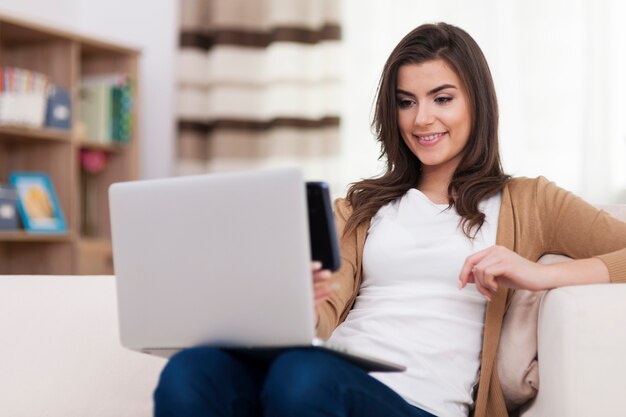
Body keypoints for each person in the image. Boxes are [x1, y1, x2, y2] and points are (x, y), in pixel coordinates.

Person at [153, 22, 626, 417]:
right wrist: (295, 303)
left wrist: (541, 275)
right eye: (406, 101)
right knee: (191, 372)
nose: (422, 119)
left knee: (303, 380)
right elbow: (319, 323)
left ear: (477, 102)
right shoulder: (361, 206)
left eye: (442, 98)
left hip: (416, 403)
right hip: (325, 383)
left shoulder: (531, 201)